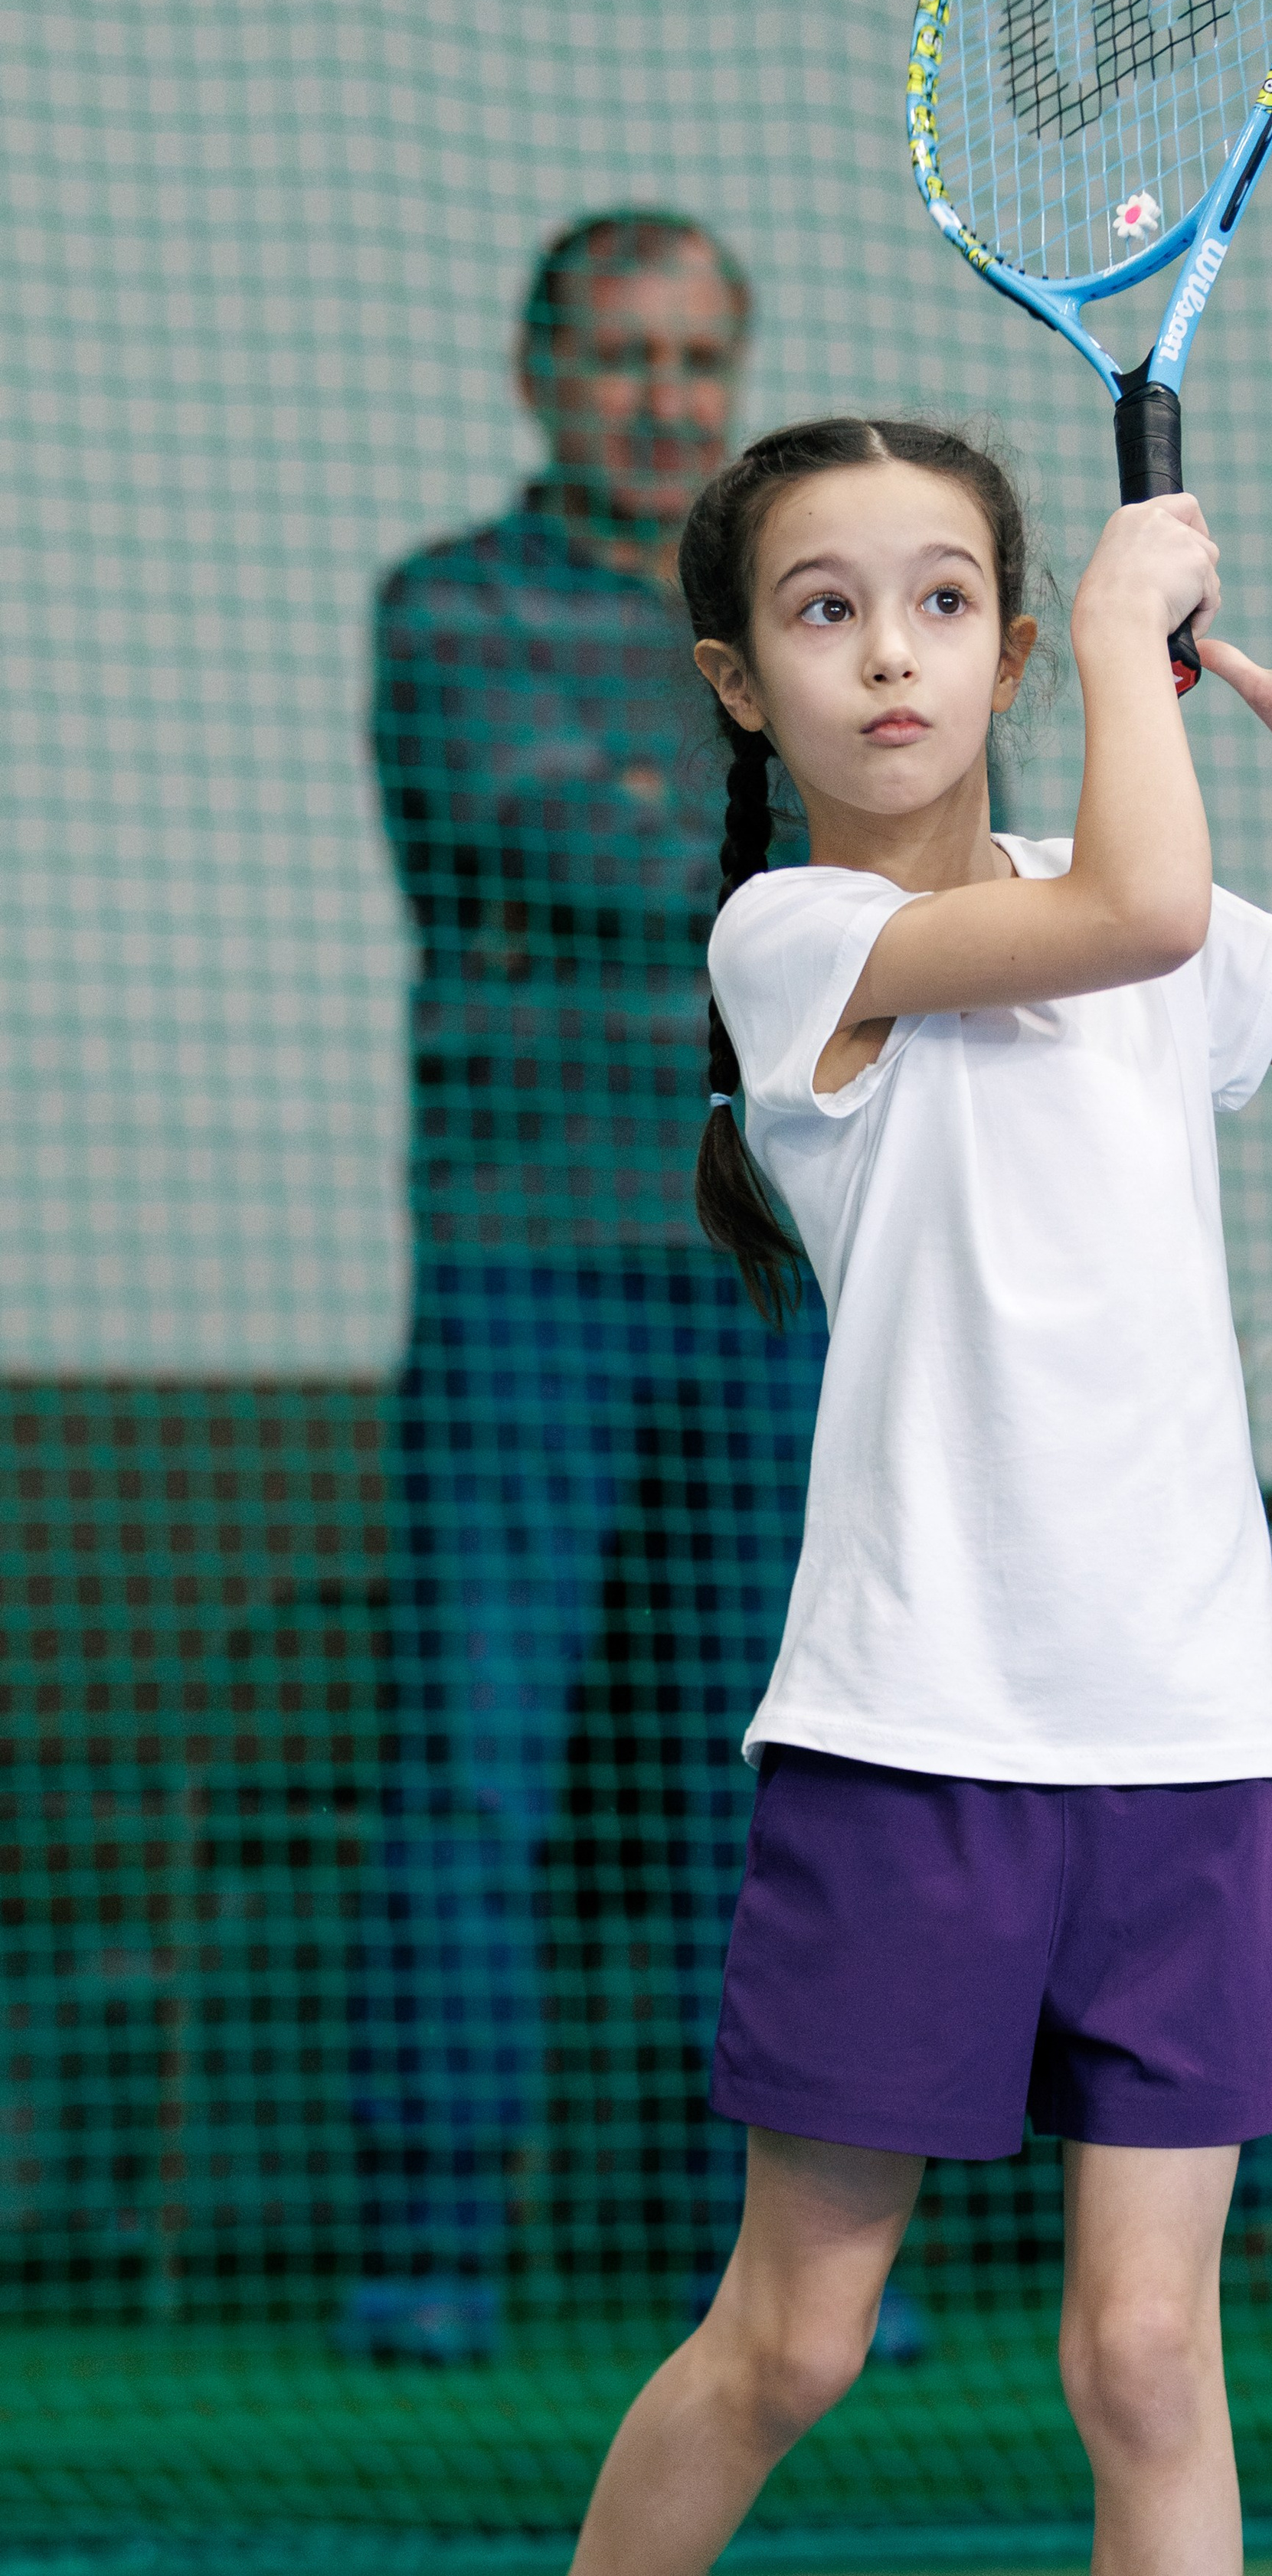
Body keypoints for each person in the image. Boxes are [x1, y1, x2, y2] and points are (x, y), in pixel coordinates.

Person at [570, 414, 1272, 2574]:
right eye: (824, 613)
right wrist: (1126, 636)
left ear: (998, 651)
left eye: (942, 604)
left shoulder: (1156, 934)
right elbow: (1135, 901)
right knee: (793, 2346)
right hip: (912, 1747)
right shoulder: (790, 939)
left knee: (1147, 2361)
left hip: (1197, 1752)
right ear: (742, 679)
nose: (890, 658)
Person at [343, 213, 826, 2365]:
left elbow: (900, 848)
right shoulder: (449, 607)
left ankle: (787, 2261)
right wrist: (764, 847)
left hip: (774, 1276)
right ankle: (438, 2244)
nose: (664, 397)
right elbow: (564, 839)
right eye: (623, 356)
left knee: (792, 1761)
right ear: (539, 372)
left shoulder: (801, 617)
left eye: (698, 359)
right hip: (528, 1265)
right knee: (478, 1765)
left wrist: (741, 833)